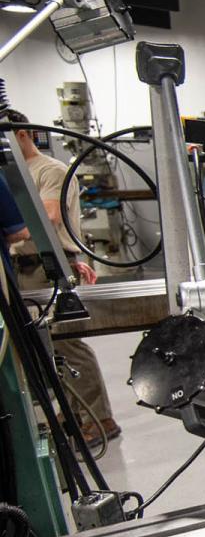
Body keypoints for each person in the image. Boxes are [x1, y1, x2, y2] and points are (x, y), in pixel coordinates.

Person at [4, 110, 119, 445]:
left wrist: (11, 227)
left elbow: (49, 215)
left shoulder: (48, 170)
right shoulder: (15, 173)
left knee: (68, 343)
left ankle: (100, 417)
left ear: (23, 134)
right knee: (47, 344)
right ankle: (72, 409)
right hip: (23, 268)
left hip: (48, 265)